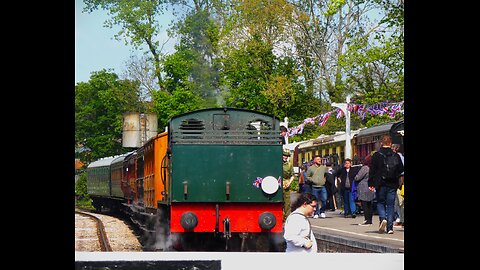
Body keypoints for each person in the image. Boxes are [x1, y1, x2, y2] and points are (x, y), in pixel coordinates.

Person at [368, 135, 404, 234]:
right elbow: (401, 169)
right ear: (391, 144)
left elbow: (372, 171)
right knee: (390, 205)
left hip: (380, 183)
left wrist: (371, 183)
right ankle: (390, 228)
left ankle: (383, 218)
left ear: (381, 143)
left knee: (380, 202)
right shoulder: (395, 155)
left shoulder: (376, 155)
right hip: (392, 183)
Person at [354, 154, 375, 226]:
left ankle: (367, 220)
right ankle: (370, 220)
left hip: (364, 187)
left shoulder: (365, 168)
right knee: (370, 204)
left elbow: (357, 177)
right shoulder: (373, 168)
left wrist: (356, 176)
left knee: (365, 204)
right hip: (371, 187)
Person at [392, 144, 404, 228]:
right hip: (399, 180)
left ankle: (400, 219)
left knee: (399, 201)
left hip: (400, 181)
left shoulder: (398, 157)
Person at [282, 149, 295, 221]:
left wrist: (289, 183)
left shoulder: (289, 165)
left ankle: (287, 218)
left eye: (286, 156)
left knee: (287, 202)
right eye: (284, 155)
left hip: (286, 184)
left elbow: (292, 175)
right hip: (278, 184)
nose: (285, 157)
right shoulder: (276, 163)